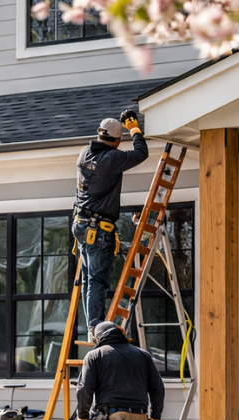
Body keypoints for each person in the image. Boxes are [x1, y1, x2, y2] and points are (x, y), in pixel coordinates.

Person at [73, 110, 148, 335]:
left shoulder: (85, 153)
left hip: (81, 224)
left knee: (89, 279)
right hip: (97, 230)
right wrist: (134, 128)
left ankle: (91, 325)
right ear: (117, 140)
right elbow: (141, 152)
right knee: (97, 281)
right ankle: (95, 326)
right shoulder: (112, 158)